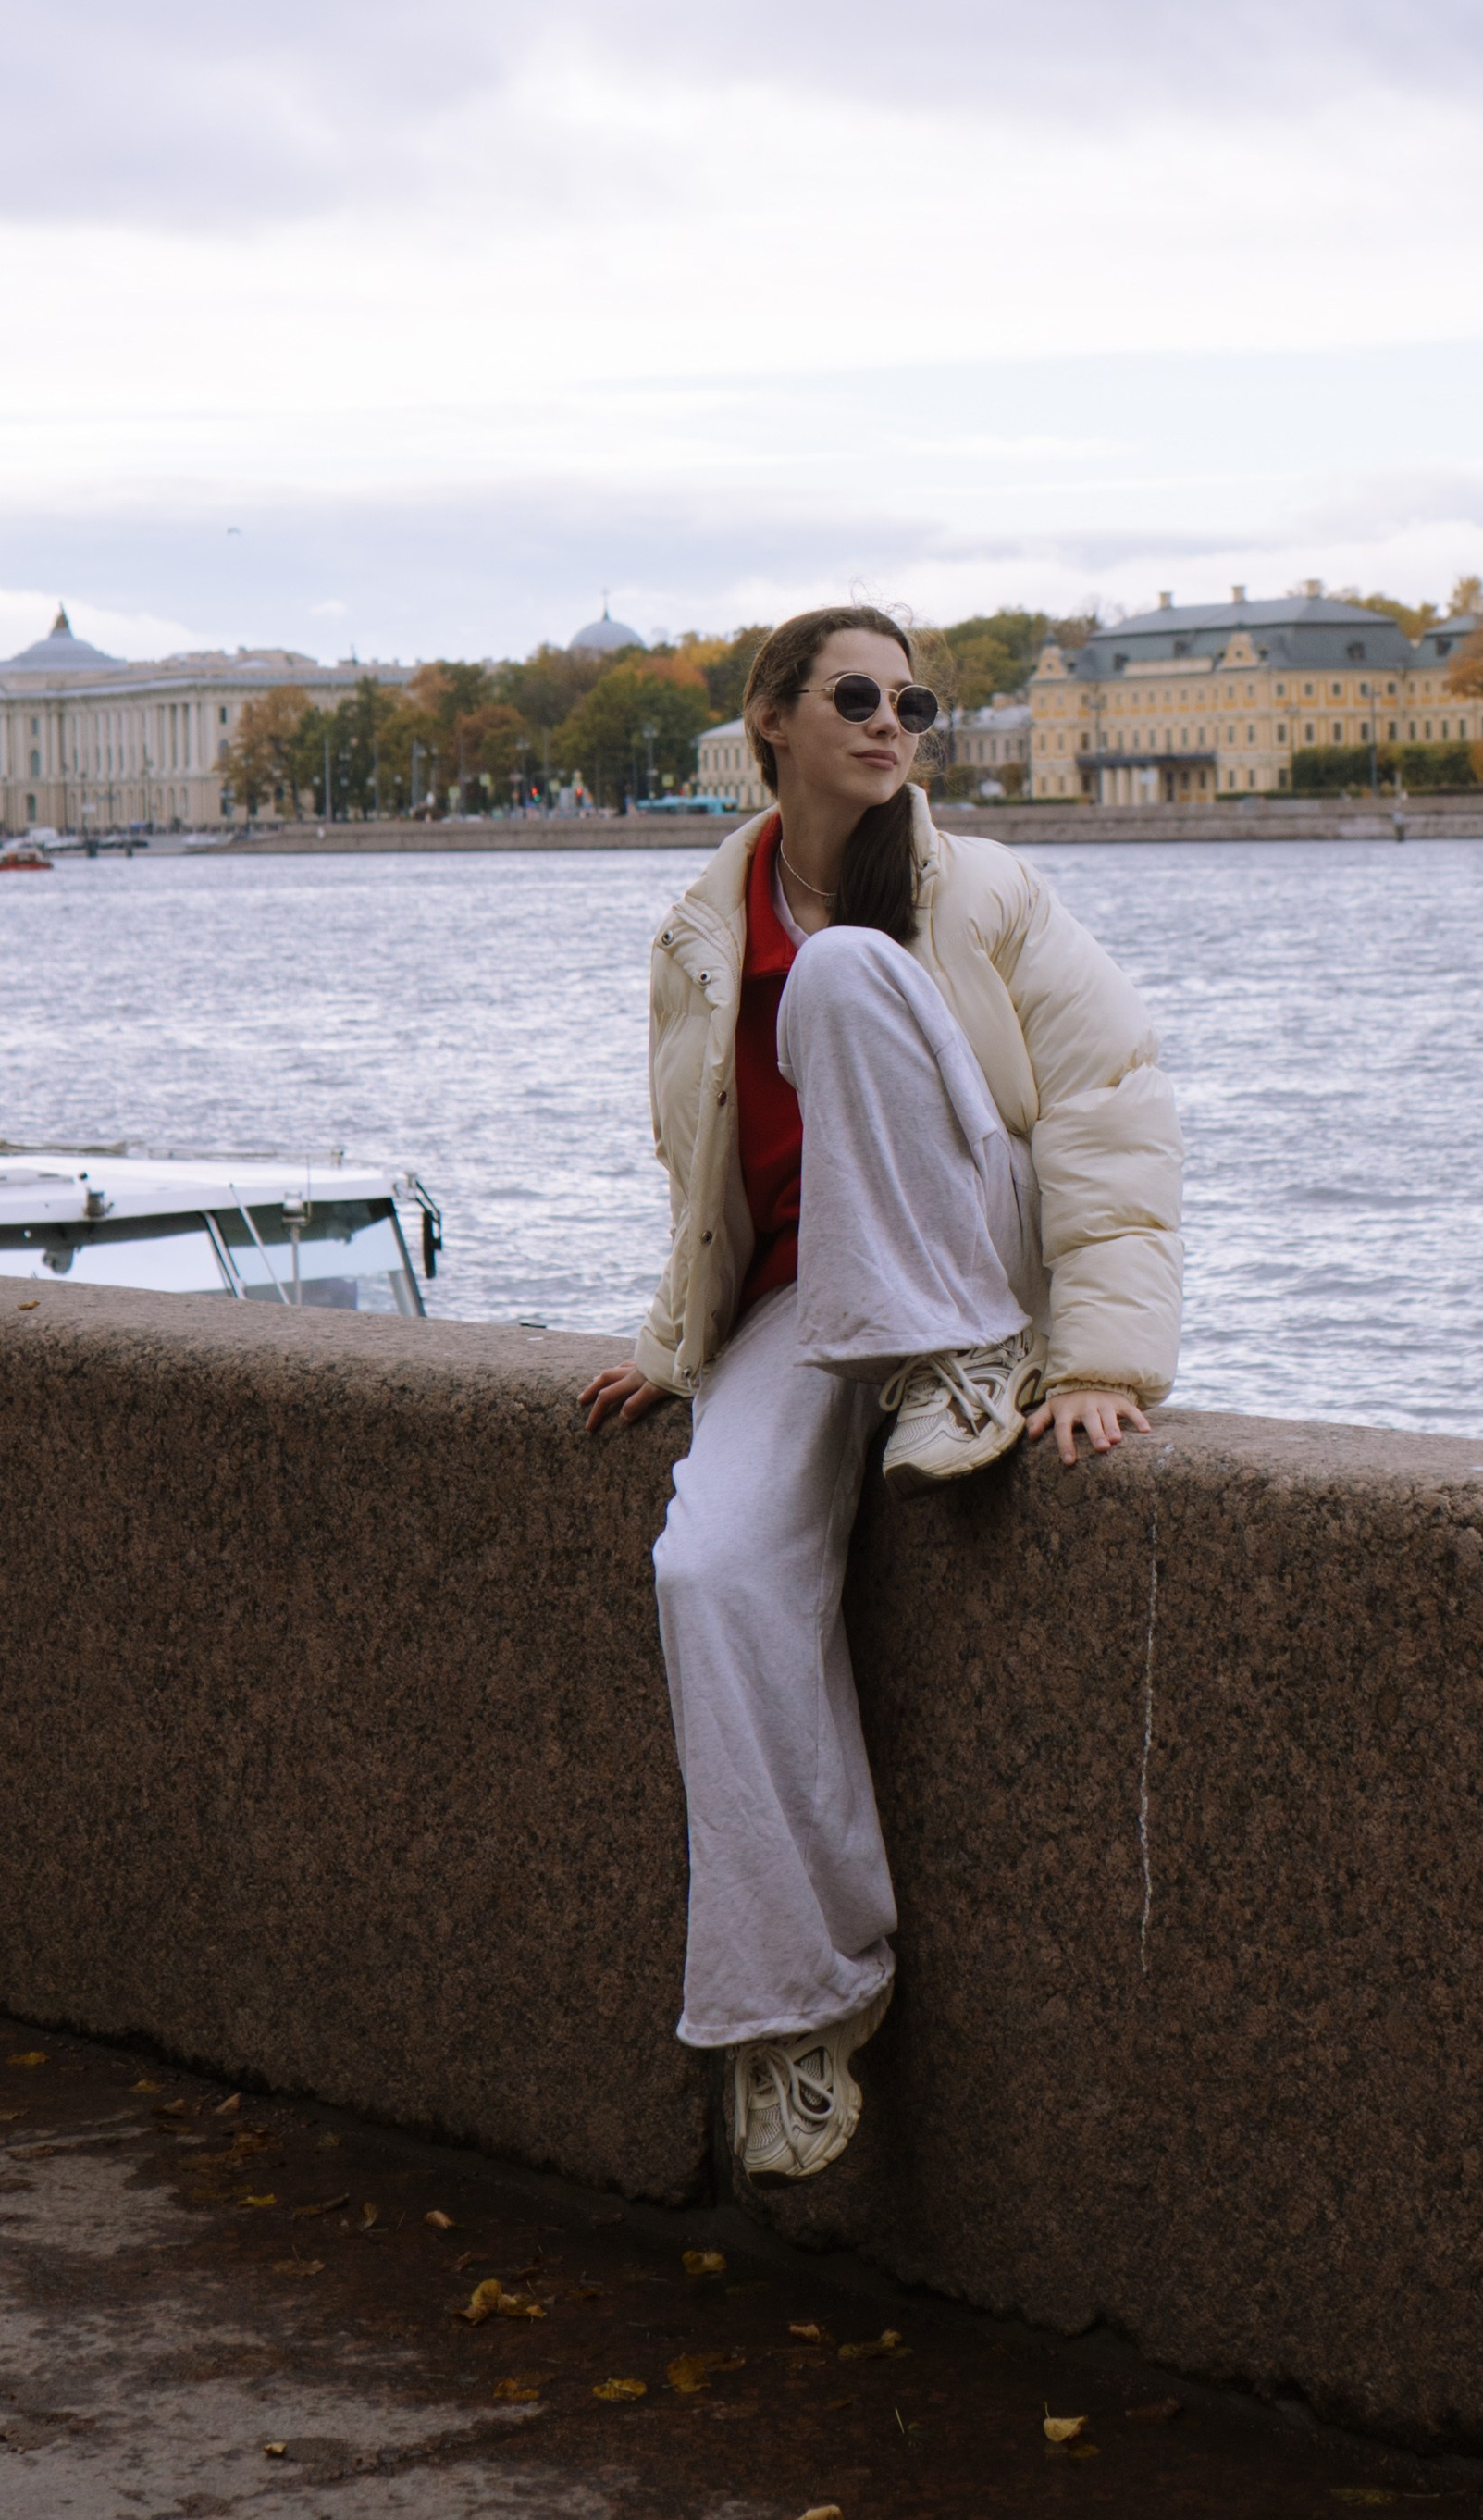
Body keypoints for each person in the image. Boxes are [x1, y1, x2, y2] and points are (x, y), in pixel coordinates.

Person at [579, 604, 1181, 2184]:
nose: (888, 724)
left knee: (847, 974)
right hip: (806, 1298)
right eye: (854, 695)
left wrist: (1100, 1362)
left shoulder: (983, 890)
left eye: (911, 703)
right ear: (770, 719)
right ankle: (800, 2004)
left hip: (971, 1253)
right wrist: (670, 1345)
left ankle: (964, 1359)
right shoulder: (700, 932)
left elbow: (1112, 1109)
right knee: (708, 1572)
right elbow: (708, 1172)